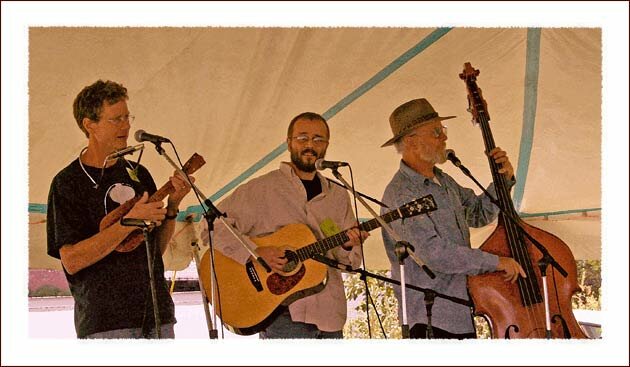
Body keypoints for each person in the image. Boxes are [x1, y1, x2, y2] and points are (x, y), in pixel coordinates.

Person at [46, 80, 193, 338]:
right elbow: (71, 260)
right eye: (115, 119)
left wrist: (173, 206)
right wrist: (128, 223)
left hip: (157, 315)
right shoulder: (67, 183)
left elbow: (153, 251)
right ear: (89, 124)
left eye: (127, 117)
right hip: (106, 323)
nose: (126, 126)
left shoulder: (139, 174)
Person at [203, 112, 368, 339]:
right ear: (288, 142)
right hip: (282, 315)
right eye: (302, 138)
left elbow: (347, 263)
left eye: (318, 139)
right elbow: (210, 226)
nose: (310, 145)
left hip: (329, 312)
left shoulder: (338, 195)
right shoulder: (262, 189)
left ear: (327, 146)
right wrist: (254, 252)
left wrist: (349, 246)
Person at [380, 98, 525, 339]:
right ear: (410, 141)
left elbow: (479, 214)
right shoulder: (401, 193)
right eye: (436, 132)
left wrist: (503, 180)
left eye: (443, 130)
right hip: (430, 318)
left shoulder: (444, 181)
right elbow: (434, 254)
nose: (444, 138)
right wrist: (496, 262)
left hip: (460, 312)